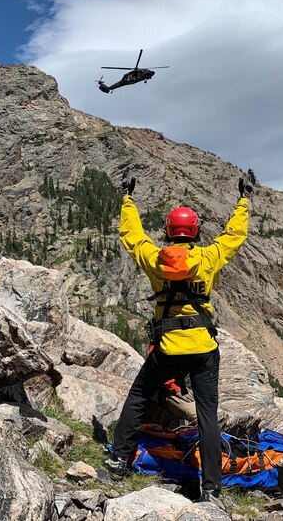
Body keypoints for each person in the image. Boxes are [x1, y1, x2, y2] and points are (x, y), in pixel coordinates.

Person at [105, 171, 254, 504]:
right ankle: (211, 489)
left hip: (168, 349)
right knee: (207, 416)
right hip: (203, 348)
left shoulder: (156, 260)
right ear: (196, 231)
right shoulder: (209, 257)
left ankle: (117, 462)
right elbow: (234, 235)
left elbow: (132, 235)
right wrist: (244, 199)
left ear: (168, 231)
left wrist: (127, 199)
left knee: (139, 396)